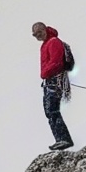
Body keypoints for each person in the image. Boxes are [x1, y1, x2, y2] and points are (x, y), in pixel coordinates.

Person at [32, 22, 73, 150]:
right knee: (50, 112)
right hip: (50, 82)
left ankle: (63, 139)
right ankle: (60, 139)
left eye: (39, 32)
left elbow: (56, 62)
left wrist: (44, 73)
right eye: (35, 34)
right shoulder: (46, 44)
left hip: (54, 82)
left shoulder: (53, 42)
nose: (38, 36)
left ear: (45, 29)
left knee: (52, 111)